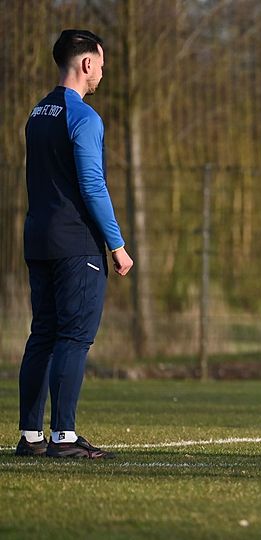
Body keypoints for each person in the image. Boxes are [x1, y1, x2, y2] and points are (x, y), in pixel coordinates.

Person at [15, 29, 133, 459]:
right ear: (86, 64)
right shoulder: (83, 117)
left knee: (42, 334)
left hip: (38, 238)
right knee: (73, 337)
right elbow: (92, 185)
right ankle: (64, 437)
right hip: (76, 243)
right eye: (100, 63)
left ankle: (31, 436)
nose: (102, 71)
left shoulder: (37, 112)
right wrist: (117, 244)